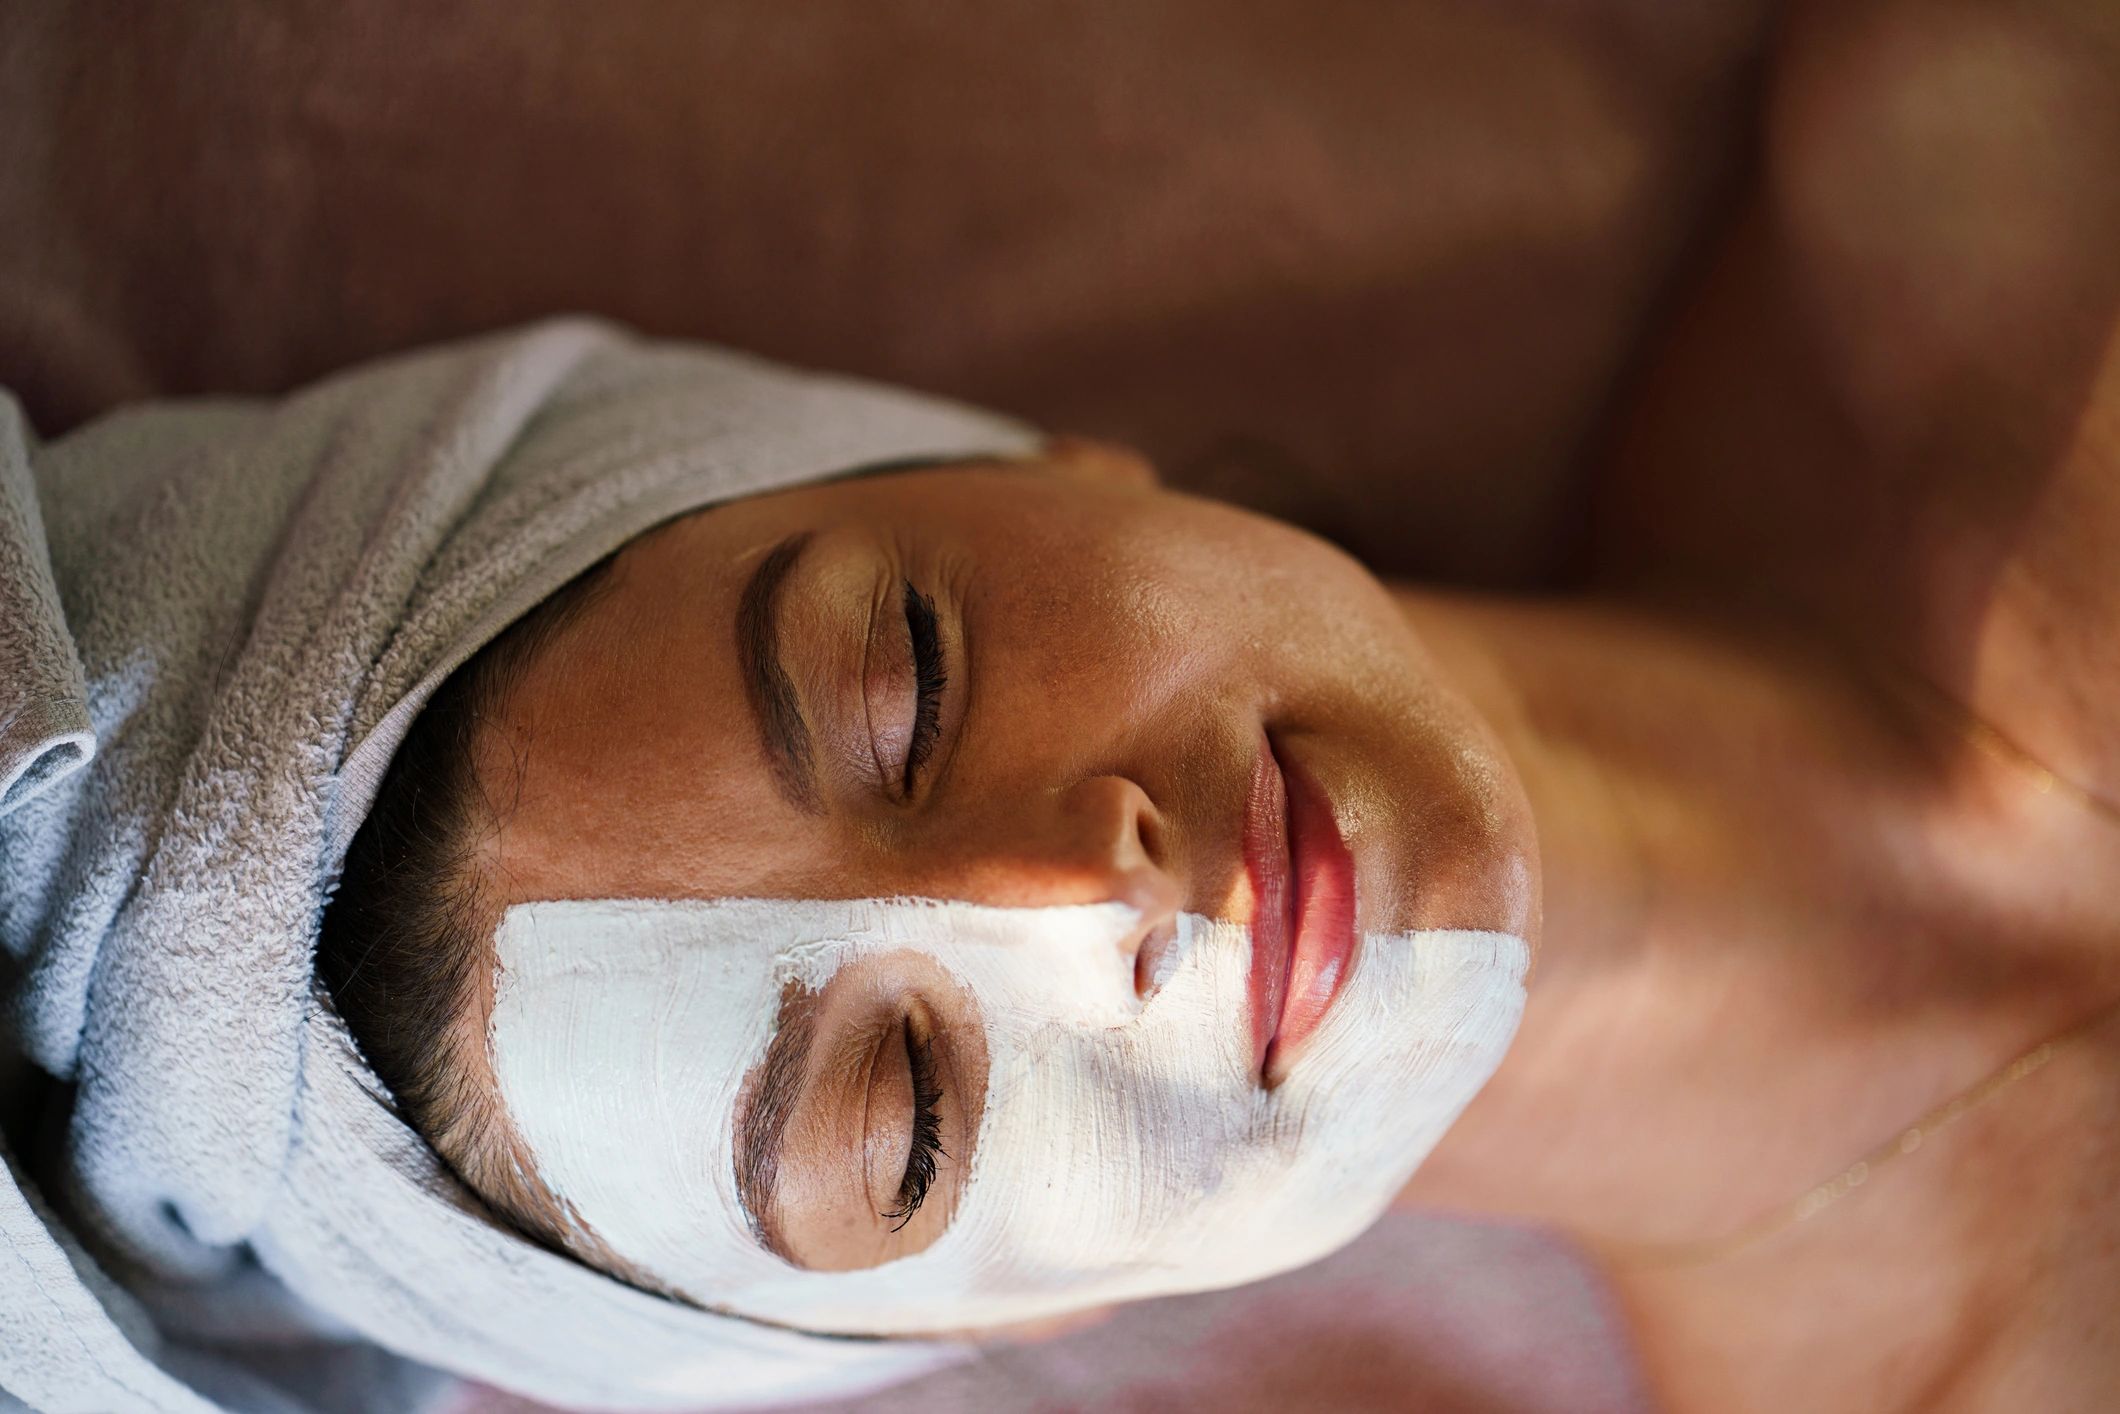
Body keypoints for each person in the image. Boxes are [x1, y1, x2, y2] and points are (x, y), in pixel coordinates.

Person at [4, 4, 2118, 1413]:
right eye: (902, 1116)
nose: (1066, 891)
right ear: (988, 1323)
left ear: (1019, 458)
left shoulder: (1994, 145)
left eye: (903, 675)